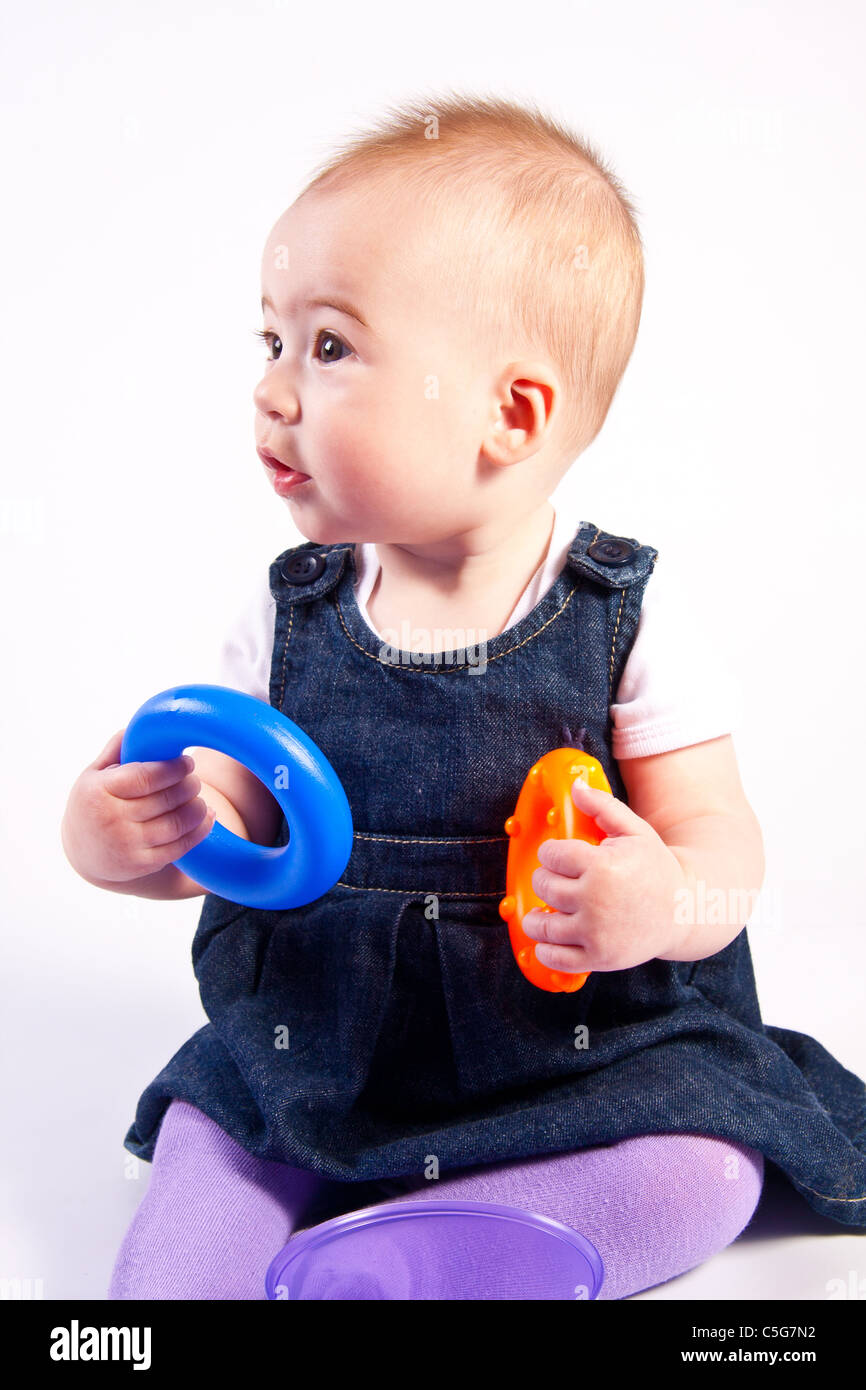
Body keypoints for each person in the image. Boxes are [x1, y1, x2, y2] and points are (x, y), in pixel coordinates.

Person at [61, 93, 866, 1300]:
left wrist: (657, 900)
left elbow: (723, 845)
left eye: (328, 347)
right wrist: (121, 834)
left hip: (574, 1055)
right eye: (269, 342)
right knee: (212, 1134)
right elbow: (209, 828)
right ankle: (188, 1283)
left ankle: (426, 1248)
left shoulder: (621, 616)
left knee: (700, 1169)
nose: (274, 391)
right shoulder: (286, 619)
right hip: (323, 1050)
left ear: (510, 412)